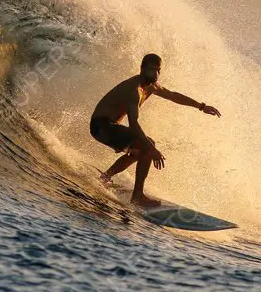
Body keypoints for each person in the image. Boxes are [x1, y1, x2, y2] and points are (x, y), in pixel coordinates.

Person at [90, 53, 221, 207]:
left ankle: (105, 177)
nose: (156, 74)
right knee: (146, 146)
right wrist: (151, 149)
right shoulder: (134, 90)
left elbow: (173, 96)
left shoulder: (151, 86)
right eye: (152, 70)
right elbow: (133, 123)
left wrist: (201, 106)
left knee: (139, 151)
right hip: (101, 126)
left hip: (109, 126)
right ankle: (137, 196)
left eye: (158, 70)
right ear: (142, 69)